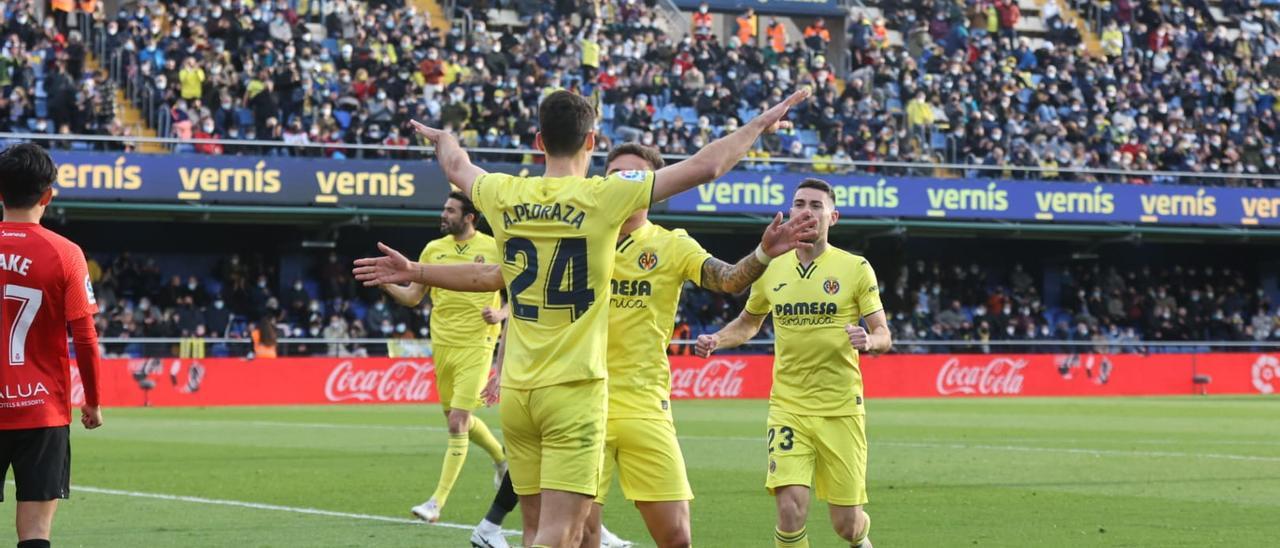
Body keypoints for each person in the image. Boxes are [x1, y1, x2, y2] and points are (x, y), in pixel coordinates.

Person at [355, 86, 810, 547]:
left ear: (539, 141)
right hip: (575, 390)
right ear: (591, 141)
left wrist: (444, 139)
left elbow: (457, 169)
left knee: (538, 530)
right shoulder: (603, 197)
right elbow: (706, 166)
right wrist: (758, 125)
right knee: (563, 534)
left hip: (521, 392)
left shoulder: (503, 192)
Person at [580, 144, 816, 548]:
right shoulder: (577, 237)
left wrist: (763, 254)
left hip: (644, 405)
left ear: (654, 189)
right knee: (579, 537)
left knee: (677, 537)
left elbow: (728, 279)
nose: (622, 182)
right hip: (581, 402)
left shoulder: (672, 244)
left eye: (635, 176)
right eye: (614, 174)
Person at [696, 178, 892, 548]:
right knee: (789, 511)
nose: (806, 211)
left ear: (833, 217)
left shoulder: (855, 267)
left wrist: (870, 340)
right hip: (788, 407)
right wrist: (717, 339)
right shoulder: (771, 267)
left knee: (847, 525)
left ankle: (861, 538)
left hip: (840, 409)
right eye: (799, 204)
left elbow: (884, 332)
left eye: (816, 205)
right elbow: (749, 322)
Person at [380, 192, 509, 524]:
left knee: (457, 422)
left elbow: (522, 294)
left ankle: (436, 502)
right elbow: (413, 297)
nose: (443, 214)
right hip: (443, 345)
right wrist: (385, 283)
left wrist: (501, 313)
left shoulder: (494, 247)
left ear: (469, 217)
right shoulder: (432, 250)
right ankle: (501, 459)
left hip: (478, 343)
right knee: (457, 418)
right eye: (444, 208)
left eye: (450, 210)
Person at [0, 143, 104, 548]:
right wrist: (93, 401)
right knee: (36, 533)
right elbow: (86, 338)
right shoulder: (66, 254)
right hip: (41, 410)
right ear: (47, 195)